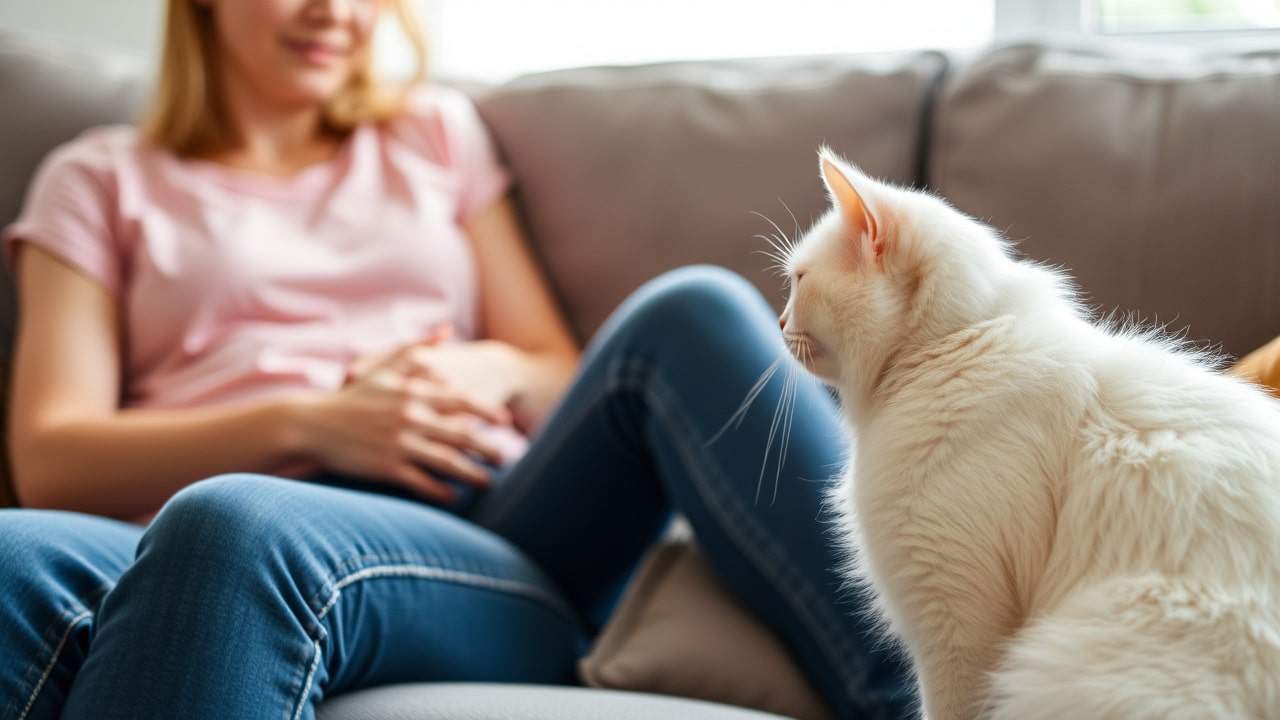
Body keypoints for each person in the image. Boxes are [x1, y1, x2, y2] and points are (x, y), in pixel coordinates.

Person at [0, 1, 911, 718]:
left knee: (695, 308)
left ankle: (936, 697)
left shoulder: (429, 134)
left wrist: (497, 370)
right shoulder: (97, 178)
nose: (334, 12)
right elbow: (50, 457)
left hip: (470, 526)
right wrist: (312, 424)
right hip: (173, 528)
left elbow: (556, 367)